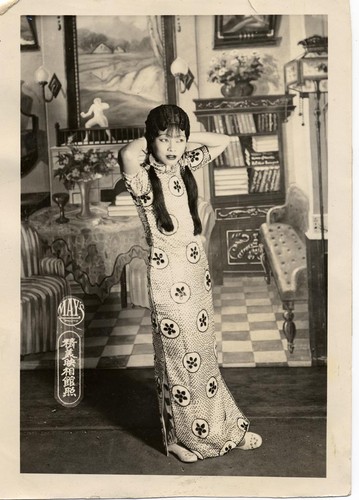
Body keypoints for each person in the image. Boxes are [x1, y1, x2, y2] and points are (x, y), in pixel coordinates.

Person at [119, 104, 262, 463]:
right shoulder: (141, 176)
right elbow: (126, 152)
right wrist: (159, 135)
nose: (172, 146)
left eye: (178, 139)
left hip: (195, 272)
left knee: (204, 357)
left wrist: (181, 137)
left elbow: (223, 141)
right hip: (166, 275)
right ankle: (183, 439)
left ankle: (226, 429)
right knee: (179, 358)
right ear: (150, 139)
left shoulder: (184, 164)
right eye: (163, 139)